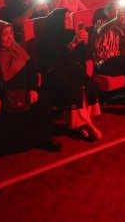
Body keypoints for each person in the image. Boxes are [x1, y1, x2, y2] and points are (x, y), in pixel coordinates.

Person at [0, 20, 61, 157]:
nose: (10, 37)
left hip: (23, 92)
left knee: (43, 101)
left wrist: (33, 89)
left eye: (11, 33)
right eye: (4, 34)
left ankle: (43, 139)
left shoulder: (17, 49)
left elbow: (32, 70)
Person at [37, 9, 101, 141]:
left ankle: (80, 124)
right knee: (73, 87)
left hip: (71, 70)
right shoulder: (47, 39)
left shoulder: (71, 33)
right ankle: (88, 125)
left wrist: (85, 42)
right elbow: (56, 60)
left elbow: (82, 56)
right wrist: (74, 43)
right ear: (57, 21)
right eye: (65, 19)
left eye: (69, 18)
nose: (69, 21)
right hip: (54, 73)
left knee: (87, 84)